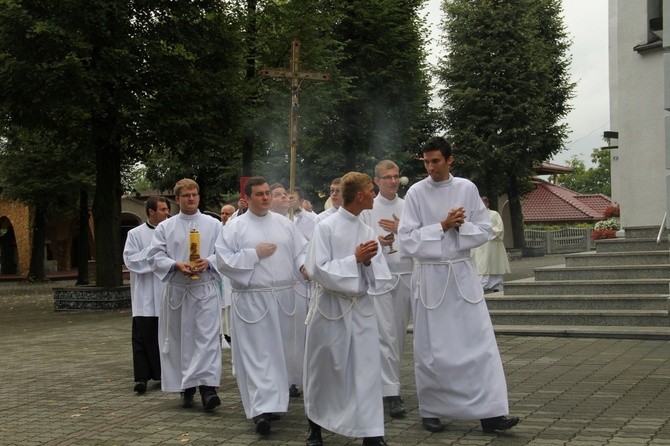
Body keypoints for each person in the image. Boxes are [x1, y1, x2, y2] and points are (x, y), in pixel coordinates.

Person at [397, 137, 519, 434]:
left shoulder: (466, 188)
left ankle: (490, 413)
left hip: (461, 273)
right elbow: (407, 239)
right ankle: (433, 410)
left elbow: (486, 229)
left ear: (450, 159)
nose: (430, 167)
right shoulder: (416, 192)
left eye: (436, 161)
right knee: (433, 347)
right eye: (426, 162)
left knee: (478, 343)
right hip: (431, 276)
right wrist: (442, 225)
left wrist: (460, 225)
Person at [303, 171, 392, 446]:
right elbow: (316, 269)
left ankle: (371, 432)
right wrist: (354, 258)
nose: (375, 195)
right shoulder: (326, 227)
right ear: (360, 195)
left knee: (366, 369)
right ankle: (315, 426)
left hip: (360, 308)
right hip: (331, 308)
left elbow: (378, 275)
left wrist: (366, 264)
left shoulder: (366, 230)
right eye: (371, 190)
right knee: (326, 367)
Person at [216, 177, 308, 437]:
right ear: (246, 198)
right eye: (260, 194)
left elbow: (300, 250)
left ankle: (275, 403)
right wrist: (254, 254)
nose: (266, 198)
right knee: (258, 356)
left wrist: (303, 266)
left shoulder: (284, 224)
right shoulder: (235, 227)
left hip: (283, 298)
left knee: (279, 354)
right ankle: (260, 410)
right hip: (252, 299)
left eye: (268, 193)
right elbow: (223, 261)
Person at [147, 178, 223, 412]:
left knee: (208, 340)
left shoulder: (214, 224)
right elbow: (154, 256)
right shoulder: (165, 228)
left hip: (204, 290)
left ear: (199, 197)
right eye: (186, 195)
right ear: (177, 199)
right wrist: (175, 264)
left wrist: (209, 261)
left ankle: (208, 388)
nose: (191, 198)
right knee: (181, 340)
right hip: (178, 292)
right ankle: (186, 388)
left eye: (194, 194)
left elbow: (225, 252)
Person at [360, 160, 413, 419]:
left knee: (399, 336)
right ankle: (390, 393)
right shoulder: (368, 208)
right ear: (376, 181)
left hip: (407, 275)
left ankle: (390, 382)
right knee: (386, 334)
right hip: (381, 279)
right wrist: (377, 241)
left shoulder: (408, 207)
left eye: (396, 176)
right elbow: (360, 238)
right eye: (387, 177)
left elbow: (419, 236)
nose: (393, 181)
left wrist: (400, 229)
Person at [123, 196, 171, 394]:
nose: (167, 213)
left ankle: (165, 375)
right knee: (143, 337)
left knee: (166, 337)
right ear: (151, 211)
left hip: (166, 293)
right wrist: (153, 254)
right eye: (162, 209)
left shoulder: (171, 232)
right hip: (144, 295)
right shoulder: (135, 234)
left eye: (167, 209)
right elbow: (130, 261)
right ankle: (142, 377)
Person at [469, 196, 510, 292]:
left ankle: (496, 285)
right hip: (479, 246)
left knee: (493, 264)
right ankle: (481, 286)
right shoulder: (475, 216)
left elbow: (500, 229)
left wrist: (487, 232)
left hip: (492, 245)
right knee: (481, 266)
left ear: (487, 204)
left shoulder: (494, 214)